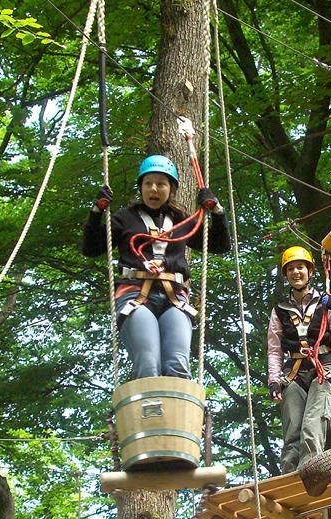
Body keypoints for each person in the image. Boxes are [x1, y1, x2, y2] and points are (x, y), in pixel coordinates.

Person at [82, 154, 231, 380]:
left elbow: (220, 245)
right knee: (148, 362)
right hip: (135, 293)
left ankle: (180, 414)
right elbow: (91, 249)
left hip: (174, 297)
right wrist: (97, 212)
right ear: (140, 187)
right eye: (148, 183)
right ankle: (146, 411)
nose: (154, 189)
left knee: (177, 364)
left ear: (171, 189)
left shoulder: (182, 221)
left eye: (161, 184)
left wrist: (217, 211)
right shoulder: (124, 219)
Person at [267, 245, 331, 473]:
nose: (296, 272)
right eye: (291, 269)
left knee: (312, 429)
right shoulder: (280, 310)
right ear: (286, 275)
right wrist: (274, 380)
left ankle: (310, 481)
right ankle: (288, 483)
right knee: (292, 434)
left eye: (300, 267)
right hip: (294, 373)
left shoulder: (325, 302)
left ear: (310, 271)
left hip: (324, 368)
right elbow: (274, 350)